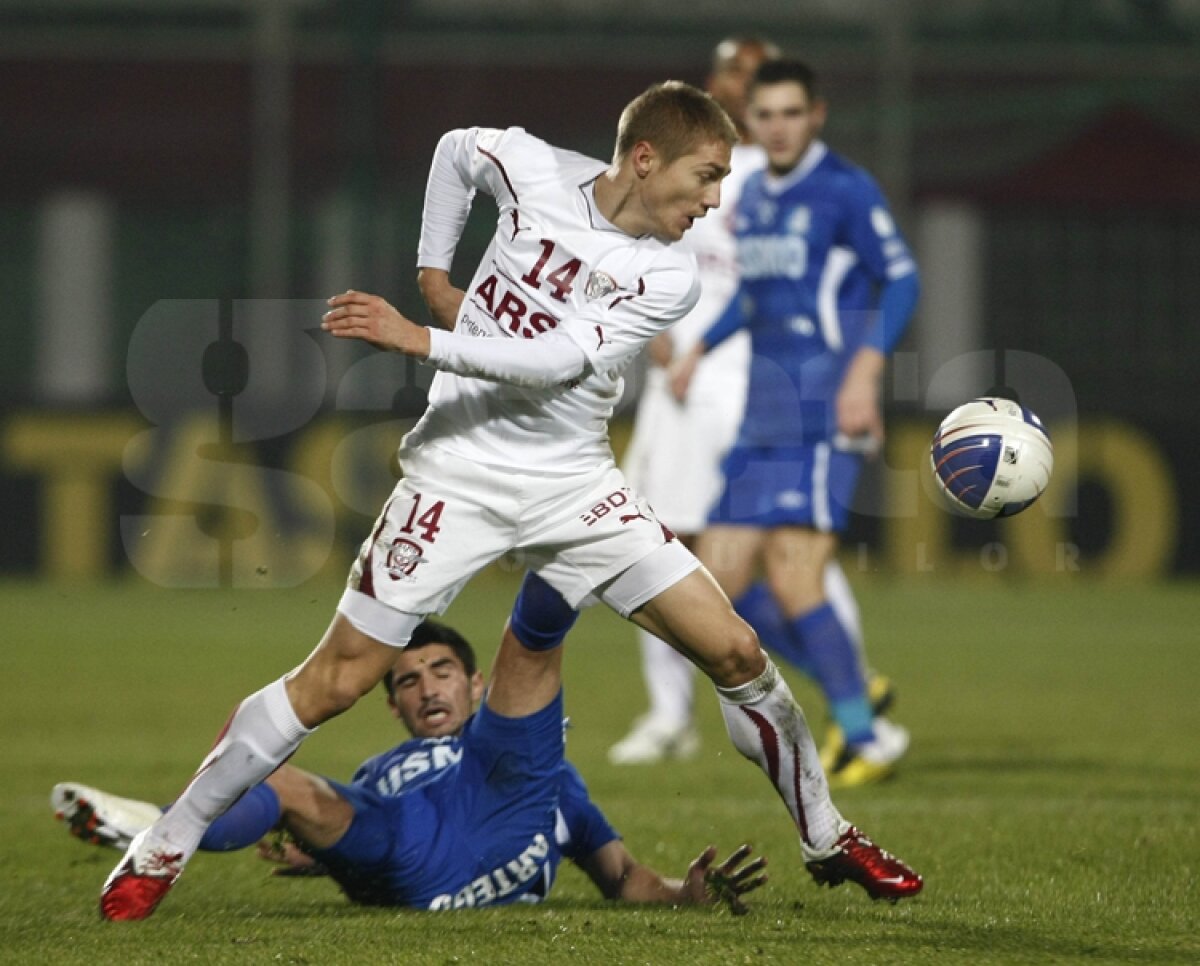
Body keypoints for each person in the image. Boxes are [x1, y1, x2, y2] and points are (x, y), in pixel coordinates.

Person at [101, 79, 921, 921]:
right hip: (456, 471)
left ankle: (827, 834)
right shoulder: (531, 167)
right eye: (706, 176)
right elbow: (457, 149)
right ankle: (161, 847)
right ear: (645, 159)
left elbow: (560, 361)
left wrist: (425, 338)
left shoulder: (666, 277)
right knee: (338, 680)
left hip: (574, 483)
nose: (714, 202)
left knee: (738, 653)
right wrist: (433, 272)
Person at [59, 610, 766, 911]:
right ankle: (152, 830)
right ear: (392, 705)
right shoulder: (381, 774)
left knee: (284, 783)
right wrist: (321, 854)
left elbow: (621, 876)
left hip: (482, 837)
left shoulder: (546, 778)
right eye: (408, 680)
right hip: (404, 848)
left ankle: (154, 831)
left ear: (475, 684)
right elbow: (359, 840)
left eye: (442, 671)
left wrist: (683, 894)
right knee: (278, 782)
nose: (428, 688)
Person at [609, 38, 892, 770]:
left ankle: (859, 712)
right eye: (737, 77)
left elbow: (883, 282)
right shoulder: (727, 176)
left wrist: (861, 373)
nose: (749, 94)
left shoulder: (801, 182)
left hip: (775, 394)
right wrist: (667, 337)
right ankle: (825, 694)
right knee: (685, 559)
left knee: (790, 565)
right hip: (705, 396)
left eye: (763, 84)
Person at [670, 59, 921, 789]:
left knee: (793, 573)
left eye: (790, 112)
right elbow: (755, 295)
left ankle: (864, 734)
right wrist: (699, 350)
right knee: (712, 585)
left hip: (823, 411)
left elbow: (902, 276)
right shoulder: (752, 195)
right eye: (764, 114)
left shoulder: (842, 188)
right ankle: (856, 691)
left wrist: (865, 373)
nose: (776, 126)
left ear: (816, 115)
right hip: (761, 417)